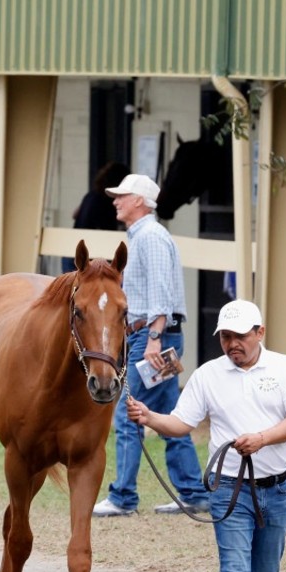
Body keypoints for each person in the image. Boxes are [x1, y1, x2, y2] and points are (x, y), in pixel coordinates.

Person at [125, 299, 286, 572]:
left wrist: (261, 439)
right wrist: (149, 417)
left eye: (240, 336)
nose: (232, 344)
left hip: (276, 488)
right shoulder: (208, 375)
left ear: (260, 333)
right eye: (225, 337)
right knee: (235, 568)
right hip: (228, 488)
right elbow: (180, 423)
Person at [93, 173, 208, 517]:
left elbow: (160, 292)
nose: (115, 201)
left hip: (152, 335)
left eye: (122, 196)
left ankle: (123, 497)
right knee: (171, 417)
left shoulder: (150, 238)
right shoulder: (145, 236)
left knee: (129, 415)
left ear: (139, 201)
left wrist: (154, 337)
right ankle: (192, 491)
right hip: (152, 335)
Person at [62, 160, 129, 273]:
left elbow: (74, 214)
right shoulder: (107, 202)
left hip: (72, 252)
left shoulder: (91, 195)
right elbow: (108, 233)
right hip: (88, 256)